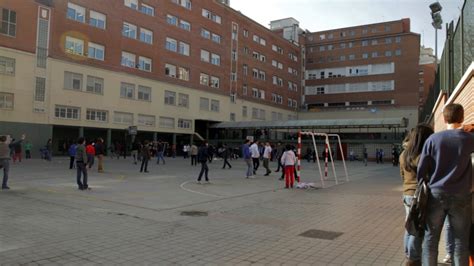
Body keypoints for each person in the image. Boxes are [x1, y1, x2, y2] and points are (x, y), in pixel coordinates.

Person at [417, 103, 474, 266]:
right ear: (462, 118)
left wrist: (424, 184)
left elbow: (422, 169)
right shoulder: (469, 139)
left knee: (430, 241)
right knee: (461, 242)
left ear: (444, 118)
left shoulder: (433, 139)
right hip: (462, 196)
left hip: (436, 195)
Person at [399, 124, 434, 265]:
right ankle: (413, 259)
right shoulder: (422, 156)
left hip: (407, 193)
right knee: (417, 229)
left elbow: (402, 175)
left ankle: (408, 254)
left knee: (410, 226)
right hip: (419, 196)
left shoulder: (404, 154)